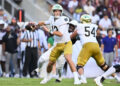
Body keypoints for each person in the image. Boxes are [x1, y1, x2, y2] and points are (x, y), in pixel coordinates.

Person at [71, 14, 120, 84]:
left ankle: (83, 78)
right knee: (104, 66)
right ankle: (117, 77)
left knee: (79, 65)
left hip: (87, 45)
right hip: (96, 45)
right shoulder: (94, 26)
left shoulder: (80, 26)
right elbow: (97, 33)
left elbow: (72, 36)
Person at [38, 4, 80, 85]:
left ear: (61, 12)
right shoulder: (51, 18)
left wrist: (49, 30)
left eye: (58, 11)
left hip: (66, 43)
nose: (57, 12)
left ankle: (76, 79)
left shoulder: (64, 19)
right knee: (50, 63)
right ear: (53, 12)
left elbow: (60, 34)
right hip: (57, 44)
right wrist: (40, 23)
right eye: (55, 11)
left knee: (68, 59)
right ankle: (47, 77)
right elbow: (47, 22)